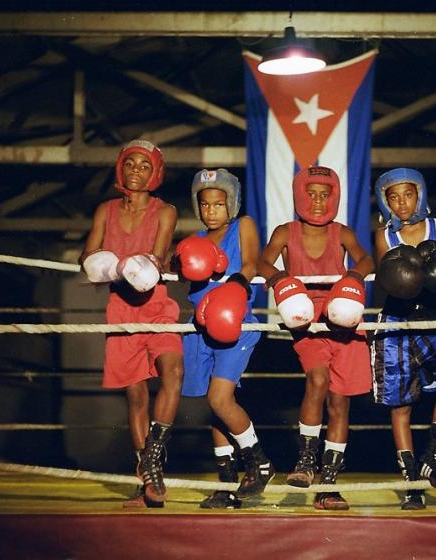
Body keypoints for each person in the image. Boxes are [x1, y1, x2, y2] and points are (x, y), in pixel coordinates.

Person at [257, 165, 374, 511]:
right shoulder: (285, 232)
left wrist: (353, 277)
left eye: (325, 195)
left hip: (343, 315)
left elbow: (366, 259)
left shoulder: (342, 232)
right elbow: (263, 262)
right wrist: (280, 279)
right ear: (299, 196)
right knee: (318, 379)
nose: (318, 201)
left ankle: (329, 485)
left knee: (340, 402)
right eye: (311, 194)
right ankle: (306, 460)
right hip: (306, 316)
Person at [80, 140, 184, 508]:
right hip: (121, 311)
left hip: (157, 306)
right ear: (120, 168)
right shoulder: (105, 210)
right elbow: (87, 256)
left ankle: (152, 458)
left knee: (173, 373)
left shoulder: (165, 211)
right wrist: (106, 265)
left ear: (155, 173)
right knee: (136, 396)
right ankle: (148, 481)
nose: (136, 170)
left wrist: (139, 265)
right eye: (130, 163)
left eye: (144, 165)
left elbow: (158, 256)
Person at [176, 168, 273, 508]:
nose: (212, 210)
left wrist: (234, 287)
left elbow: (251, 263)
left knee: (220, 399)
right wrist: (179, 261)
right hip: (199, 327)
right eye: (205, 204)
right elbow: (179, 272)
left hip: (235, 321)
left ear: (231, 203)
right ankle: (227, 484)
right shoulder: (196, 239)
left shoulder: (242, 225)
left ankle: (260, 463)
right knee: (212, 404)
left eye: (219, 203)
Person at [371, 168, 436, 510]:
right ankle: (412, 482)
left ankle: (432, 455)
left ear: (419, 194)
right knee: (401, 407)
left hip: (433, 320)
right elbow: (392, 282)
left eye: (407, 195)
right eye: (393, 197)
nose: (401, 203)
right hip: (397, 322)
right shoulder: (384, 236)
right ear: (385, 202)